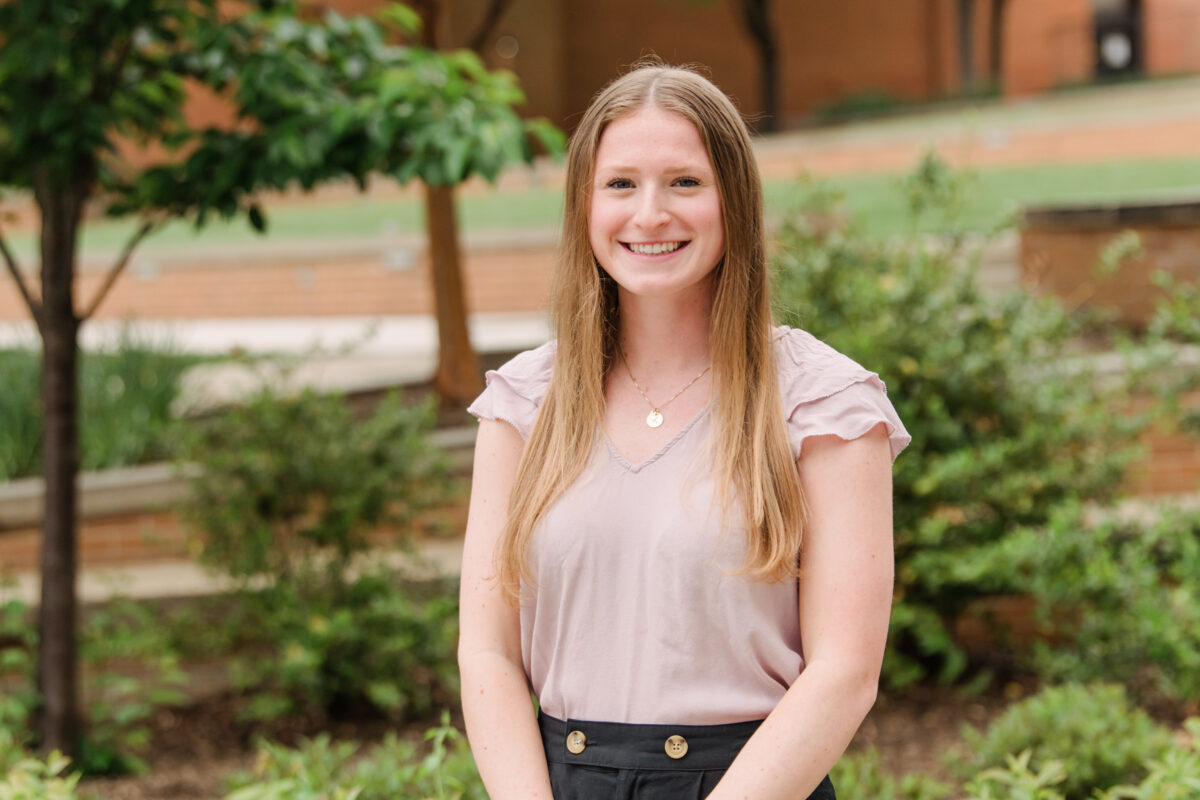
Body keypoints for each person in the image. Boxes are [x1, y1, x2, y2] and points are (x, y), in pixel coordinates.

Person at [458, 62, 910, 800]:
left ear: (734, 199)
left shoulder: (825, 403)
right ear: (584, 205)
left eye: (685, 183)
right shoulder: (523, 403)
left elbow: (845, 673)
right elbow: (487, 654)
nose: (650, 215)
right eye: (621, 184)